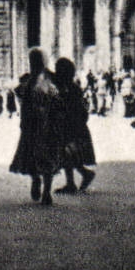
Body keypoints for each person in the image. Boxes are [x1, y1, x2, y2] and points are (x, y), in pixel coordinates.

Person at [9, 49, 62, 206]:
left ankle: (46, 191)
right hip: (33, 124)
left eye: (36, 61)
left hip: (47, 124)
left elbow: (58, 99)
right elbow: (21, 97)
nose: (34, 64)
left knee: (47, 157)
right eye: (32, 61)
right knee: (31, 156)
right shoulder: (29, 80)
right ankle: (36, 180)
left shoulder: (49, 78)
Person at [54, 57, 96, 194]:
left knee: (68, 154)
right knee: (69, 155)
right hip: (74, 126)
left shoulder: (69, 89)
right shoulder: (72, 88)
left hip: (72, 127)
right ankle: (79, 177)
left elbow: (71, 109)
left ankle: (74, 181)